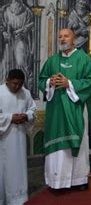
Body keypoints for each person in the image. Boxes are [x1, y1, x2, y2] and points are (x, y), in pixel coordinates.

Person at [38, 28, 91, 190]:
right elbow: (41, 80)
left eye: (66, 36)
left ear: (74, 39)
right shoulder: (52, 61)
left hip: (75, 108)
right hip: (56, 109)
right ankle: (57, 181)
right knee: (57, 150)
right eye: (60, 37)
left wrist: (68, 84)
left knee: (78, 142)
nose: (62, 39)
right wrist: (49, 82)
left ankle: (78, 180)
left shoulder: (83, 59)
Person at [0, 69, 36, 204]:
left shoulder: (25, 93)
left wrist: (27, 116)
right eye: (14, 84)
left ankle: (18, 199)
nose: (17, 87)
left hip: (19, 139)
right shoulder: (0, 92)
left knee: (18, 170)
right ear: (7, 81)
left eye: (20, 84)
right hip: (3, 139)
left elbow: (32, 110)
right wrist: (10, 118)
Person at [1, 0, 34, 88]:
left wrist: (21, 31)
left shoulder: (27, 11)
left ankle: (24, 86)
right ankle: (5, 87)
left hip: (20, 40)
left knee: (20, 62)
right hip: (8, 40)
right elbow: (1, 25)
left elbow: (30, 25)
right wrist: (5, 32)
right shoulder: (5, 10)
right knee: (6, 63)